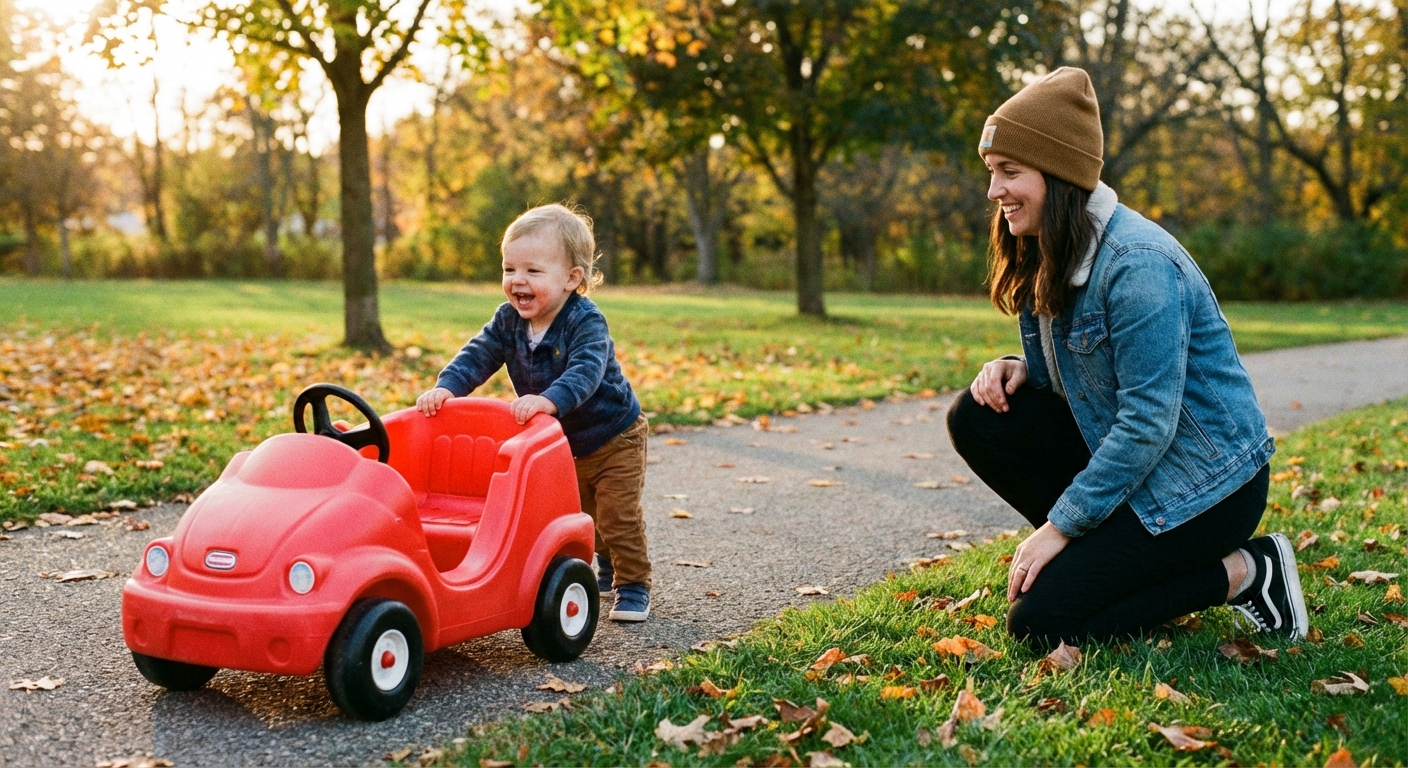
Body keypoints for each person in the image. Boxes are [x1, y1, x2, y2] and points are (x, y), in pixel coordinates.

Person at [946, 67, 1308, 648]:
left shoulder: (1138, 265)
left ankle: (1246, 571)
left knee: (1042, 623)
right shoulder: (1049, 247)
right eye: (993, 173)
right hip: (1141, 470)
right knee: (978, 414)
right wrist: (1020, 368)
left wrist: (1060, 527)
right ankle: (1107, 563)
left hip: (1206, 487)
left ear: (1059, 175)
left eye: (1010, 173)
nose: (995, 192)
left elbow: (1147, 421)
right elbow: (1080, 386)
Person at [416, 203, 653, 622]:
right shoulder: (508, 321)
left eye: (533, 271)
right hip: (563, 443)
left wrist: (549, 400)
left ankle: (633, 585)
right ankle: (605, 565)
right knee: (582, 514)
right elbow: (479, 354)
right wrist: (447, 388)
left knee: (617, 516)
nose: (517, 281)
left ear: (571, 279)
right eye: (509, 270)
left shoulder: (586, 322)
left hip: (615, 434)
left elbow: (587, 370)